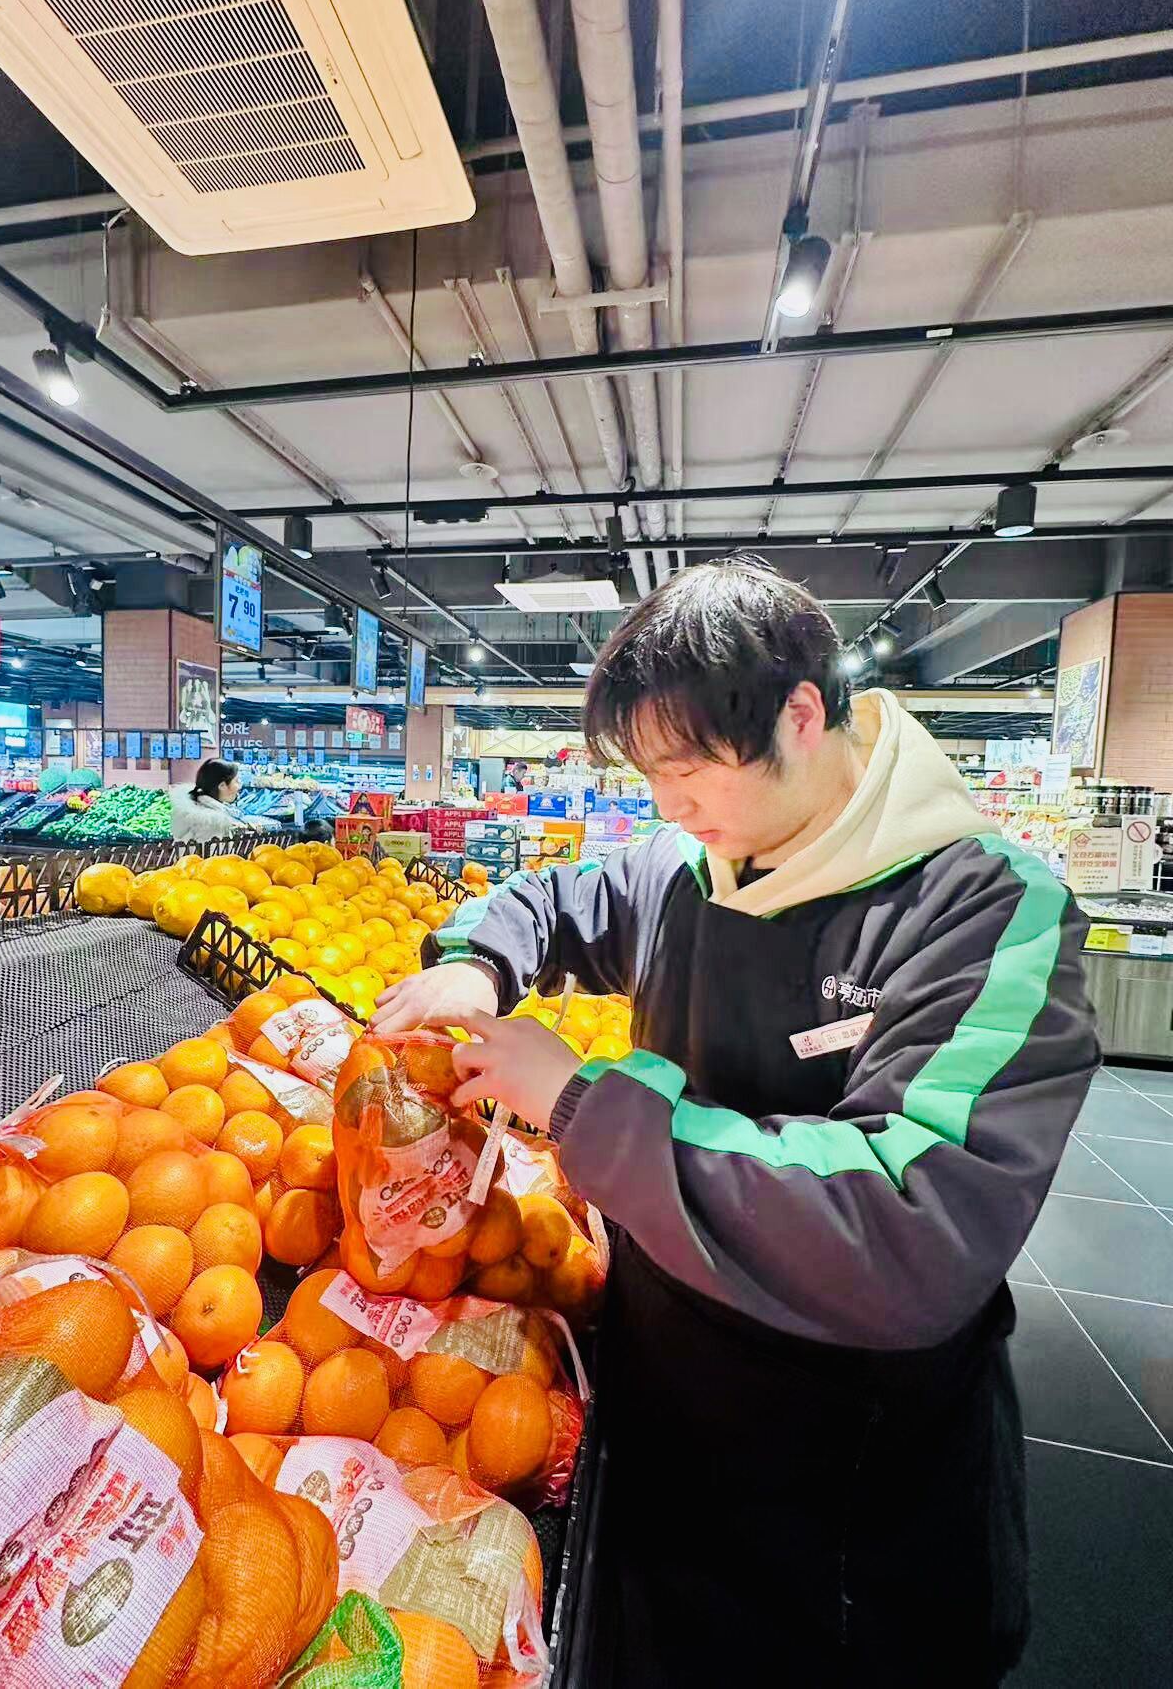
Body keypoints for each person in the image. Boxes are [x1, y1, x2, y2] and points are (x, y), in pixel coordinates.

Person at [373, 559, 1099, 1688]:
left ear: (799, 716)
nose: (666, 805)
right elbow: (559, 900)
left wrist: (579, 1102)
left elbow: (909, 1222)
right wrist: (480, 962)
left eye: (687, 769)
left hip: (852, 1493)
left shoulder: (988, 914)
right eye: (647, 774)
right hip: (666, 1412)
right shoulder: (694, 864)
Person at [169, 759, 271, 841]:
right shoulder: (211, 823)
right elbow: (218, 857)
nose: (239, 786)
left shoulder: (197, 808)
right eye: (236, 781)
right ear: (222, 786)